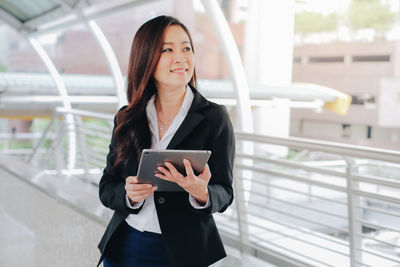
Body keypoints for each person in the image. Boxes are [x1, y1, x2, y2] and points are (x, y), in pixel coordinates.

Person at [97, 15, 235, 267]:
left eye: (186, 48)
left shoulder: (214, 117)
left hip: (182, 252)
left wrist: (201, 192)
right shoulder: (128, 117)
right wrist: (129, 195)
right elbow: (107, 186)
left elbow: (224, 192)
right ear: (146, 59)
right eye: (167, 50)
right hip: (124, 245)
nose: (180, 57)